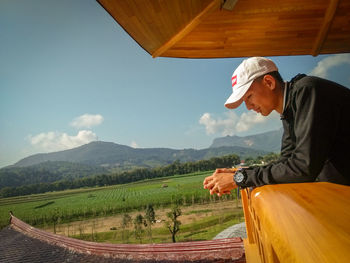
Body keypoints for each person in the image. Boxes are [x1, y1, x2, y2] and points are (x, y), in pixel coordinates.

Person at [203, 57, 350, 196]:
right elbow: (286, 163)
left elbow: (303, 167)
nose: (248, 107)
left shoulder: (308, 92)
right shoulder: (289, 110)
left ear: (269, 82)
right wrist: (240, 173)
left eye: (249, 97)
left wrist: (240, 178)